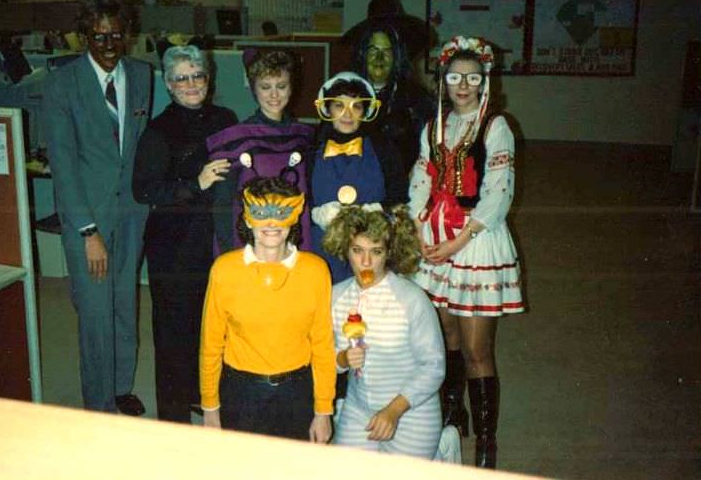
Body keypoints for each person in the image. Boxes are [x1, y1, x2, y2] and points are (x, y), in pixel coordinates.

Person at [409, 35, 524, 468]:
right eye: (455, 77)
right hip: (438, 240)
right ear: (443, 79)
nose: (463, 86)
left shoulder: (496, 126)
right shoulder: (434, 126)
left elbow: (498, 193)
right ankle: (453, 416)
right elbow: (422, 177)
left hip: (475, 241)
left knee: (478, 349)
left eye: (472, 79)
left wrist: (460, 239)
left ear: (484, 81)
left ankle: (488, 443)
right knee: (445, 338)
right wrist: (421, 227)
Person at [42, 0, 151, 415]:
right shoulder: (61, 83)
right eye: (98, 34)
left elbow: (139, 148)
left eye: (116, 34)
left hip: (131, 214)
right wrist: (87, 231)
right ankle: (99, 403)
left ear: (127, 36)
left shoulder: (143, 75)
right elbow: (64, 164)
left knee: (125, 302)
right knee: (94, 312)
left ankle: (122, 385)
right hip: (88, 218)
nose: (108, 42)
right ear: (84, 36)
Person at [132, 45, 237, 423]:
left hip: (217, 238)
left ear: (208, 80)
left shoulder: (226, 118)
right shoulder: (159, 130)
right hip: (173, 245)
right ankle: (174, 418)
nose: (191, 84)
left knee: (213, 326)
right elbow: (144, 190)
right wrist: (195, 182)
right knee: (175, 331)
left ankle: (205, 399)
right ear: (168, 84)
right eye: (182, 78)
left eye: (198, 76)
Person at [199, 176, 335, 442]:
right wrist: (210, 407)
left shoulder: (316, 271)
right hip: (241, 392)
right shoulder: (225, 270)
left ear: (295, 217)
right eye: (261, 214)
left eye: (281, 213)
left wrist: (323, 410)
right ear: (248, 219)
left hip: (296, 392)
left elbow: (323, 345)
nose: (272, 223)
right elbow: (211, 343)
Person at [324, 204, 458, 461]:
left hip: (411, 409)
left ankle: (441, 449)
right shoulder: (336, 296)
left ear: (389, 253)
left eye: (376, 252)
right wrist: (341, 359)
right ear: (345, 251)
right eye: (357, 251)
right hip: (358, 406)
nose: (365, 262)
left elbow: (433, 366)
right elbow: (322, 359)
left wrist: (393, 411)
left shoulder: (411, 299)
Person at [208, 50, 315, 254]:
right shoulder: (235, 139)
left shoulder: (303, 137)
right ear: (254, 90)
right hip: (248, 242)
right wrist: (229, 251)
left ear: (291, 88)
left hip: (294, 240)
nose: (274, 95)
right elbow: (222, 205)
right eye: (265, 87)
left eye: (281, 86)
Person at [309, 71, 407, 284]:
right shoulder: (310, 146)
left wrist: (377, 211)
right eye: (339, 105)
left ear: (365, 111)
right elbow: (299, 198)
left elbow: (399, 195)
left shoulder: (384, 148)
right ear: (327, 108)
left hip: (371, 252)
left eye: (356, 106)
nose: (347, 114)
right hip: (320, 251)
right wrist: (315, 214)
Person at [352, 24, 433, 176]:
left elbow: (430, 152)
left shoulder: (417, 100)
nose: (379, 58)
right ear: (363, 54)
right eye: (373, 50)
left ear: (396, 56)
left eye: (386, 51)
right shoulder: (345, 94)